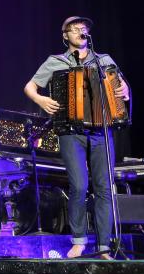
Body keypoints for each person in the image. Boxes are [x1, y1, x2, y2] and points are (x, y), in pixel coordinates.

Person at [24, 16, 130, 258]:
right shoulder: (56, 62)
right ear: (65, 35)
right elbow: (30, 87)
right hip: (71, 131)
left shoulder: (103, 61)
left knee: (104, 187)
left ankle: (104, 246)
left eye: (84, 28)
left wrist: (124, 90)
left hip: (101, 131)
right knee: (79, 186)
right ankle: (79, 241)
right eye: (75, 29)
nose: (81, 31)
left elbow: (121, 87)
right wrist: (41, 100)